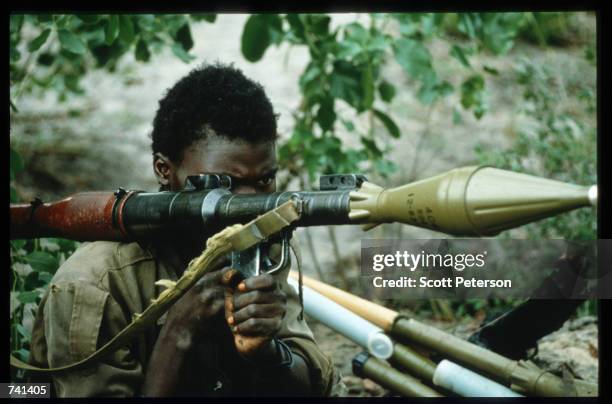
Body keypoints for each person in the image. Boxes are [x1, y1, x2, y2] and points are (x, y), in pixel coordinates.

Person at [29, 62, 343, 397]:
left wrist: (265, 351)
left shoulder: (256, 247)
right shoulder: (96, 281)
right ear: (165, 170)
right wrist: (181, 329)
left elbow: (318, 387)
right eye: (226, 184)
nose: (252, 207)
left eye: (265, 180)